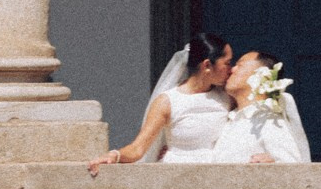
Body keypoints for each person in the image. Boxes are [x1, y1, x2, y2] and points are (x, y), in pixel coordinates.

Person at [87, 31, 232, 171]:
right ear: (207, 66)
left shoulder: (227, 97)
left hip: (218, 173)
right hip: (178, 174)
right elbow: (138, 148)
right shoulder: (168, 101)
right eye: (227, 63)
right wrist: (114, 155)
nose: (231, 69)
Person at [211, 50, 311, 163]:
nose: (232, 70)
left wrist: (273, 165)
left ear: (262, 75)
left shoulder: (270, 120)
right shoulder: (232, 117)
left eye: (240, 65)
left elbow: (293, 166)